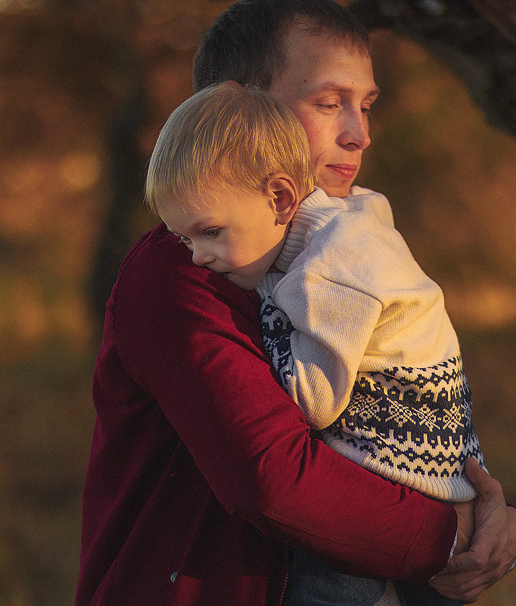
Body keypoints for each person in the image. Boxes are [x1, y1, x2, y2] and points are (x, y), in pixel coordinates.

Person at [77, 0, 516, 605]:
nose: (359, 134)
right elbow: (275, 477)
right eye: (328, 102)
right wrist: (449, 538)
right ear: (236, 106)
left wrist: (491, 520)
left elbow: (400, 399)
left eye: (364, 105)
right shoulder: (184, 270)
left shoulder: (341, 247)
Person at [146, 81, 486, 606]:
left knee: (327, 588)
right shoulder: (314, 239)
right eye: (185, 239)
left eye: (210, 232)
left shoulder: (332, 266)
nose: (196, 257)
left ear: (280, 198)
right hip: (420, 474)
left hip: (397, 473)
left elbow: (317, 400)